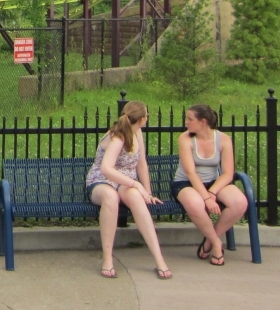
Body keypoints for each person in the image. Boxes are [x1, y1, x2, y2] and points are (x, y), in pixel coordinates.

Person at [85, 100, 172, 280]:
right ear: (141, 119)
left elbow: (141, 163)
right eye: (146, 115)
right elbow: (106, 169)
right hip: (102, 181)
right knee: (110, 197)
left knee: (136, 198)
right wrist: (136, 184)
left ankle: (159, 259)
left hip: (126, 182)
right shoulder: (117, 136)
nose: (147, 118)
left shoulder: (137, 132)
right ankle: (108, 259)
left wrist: (147, 192)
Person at [171, 104, 248, 266]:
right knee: (196, 203)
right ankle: (217, 243)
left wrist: (212, 193)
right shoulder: (185, 139)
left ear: (203, 122)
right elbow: (191, 173)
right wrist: (206, 198)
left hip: (213, 182)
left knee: (240, 202)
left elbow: (228, 173)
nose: (186, 122)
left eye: (190, 119)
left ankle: (208, 242)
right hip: (186, 183)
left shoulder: (223, 139)